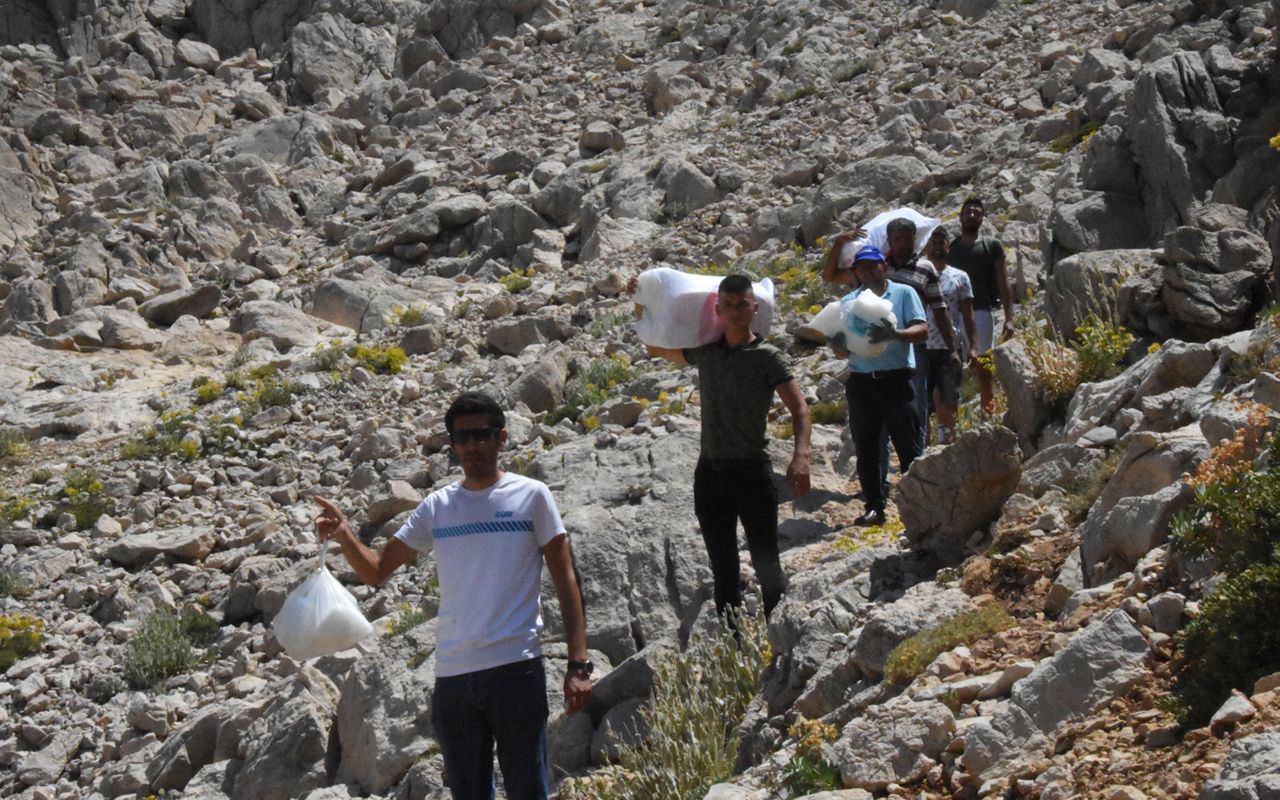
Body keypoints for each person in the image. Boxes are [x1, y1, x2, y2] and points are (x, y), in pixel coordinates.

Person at [313, 392, 590, 800]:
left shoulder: (532, 497)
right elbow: (376, 571)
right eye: (463, 437)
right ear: (452, 444)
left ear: (503, 438)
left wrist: (578, 664)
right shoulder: (438, 507)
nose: (473, 445)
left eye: (483, 434)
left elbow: (565, 579)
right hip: (454, 678)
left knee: (528, 788)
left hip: (516, 669)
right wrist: (342, 533)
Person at [640, 273, 811, 620]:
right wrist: (641, 298)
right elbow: (652, 344)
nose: (735, 312)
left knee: (767, 564)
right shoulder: (705, 354)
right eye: (728, 306)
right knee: (723, 569)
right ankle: (735, 650)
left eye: (742, 305)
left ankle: (779, 647)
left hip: (753, 472)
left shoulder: (768, 356)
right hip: (711, 473)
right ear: (717, 309)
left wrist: (801, 457)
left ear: (754, 308)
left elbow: (800, 409)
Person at [830, 246, 928, 526]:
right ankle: (874, 506)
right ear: (856, 272)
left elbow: (922, 331)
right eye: (861, 268)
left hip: (895, 379)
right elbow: (842, 351)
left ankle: (921, 503)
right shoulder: (849, 301)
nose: (867, 272)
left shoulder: (903, 293)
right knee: (867, 446)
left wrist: (895, 334)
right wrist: (838, 345)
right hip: (861, 381)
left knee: (907, 444)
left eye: (873, 266)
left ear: (883, 266)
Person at [947, 197, 1015, 413]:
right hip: (955, 315)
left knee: (984, 365)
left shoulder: (991, 246)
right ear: (960, 217)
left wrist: (1009, 317)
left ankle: (989, 412)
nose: (972, 215)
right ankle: (951, 421)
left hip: (982, 311)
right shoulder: (952, 249)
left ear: (983, 218)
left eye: (977, 212)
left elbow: (1003, 282)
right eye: (968, 212)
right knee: (952, 368)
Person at [920, 228, 979, 445]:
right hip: (921, 345)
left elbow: (968, 314)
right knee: (922, 400)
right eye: (932, 242)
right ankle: (922, 446)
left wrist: (973, 345)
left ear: (948, 246)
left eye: (941, 242)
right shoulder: (918, 274)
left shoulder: (960, 277)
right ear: (926, 247)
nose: (937, 246)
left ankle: (948, 442)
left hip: (950, 346)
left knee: (949, 397)